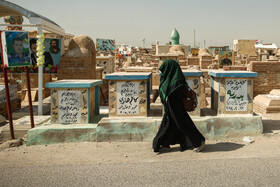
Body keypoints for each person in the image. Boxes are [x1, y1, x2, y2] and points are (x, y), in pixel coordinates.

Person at [153, 59, 205, 153]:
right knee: (169, 124)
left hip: (176, 107)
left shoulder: (177, 81)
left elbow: (176, 94)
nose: (161, 73)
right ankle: (162, 143)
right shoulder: (169, 79)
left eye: (163, 70)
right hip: (171, 107)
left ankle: (198, 142)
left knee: (183, 124)